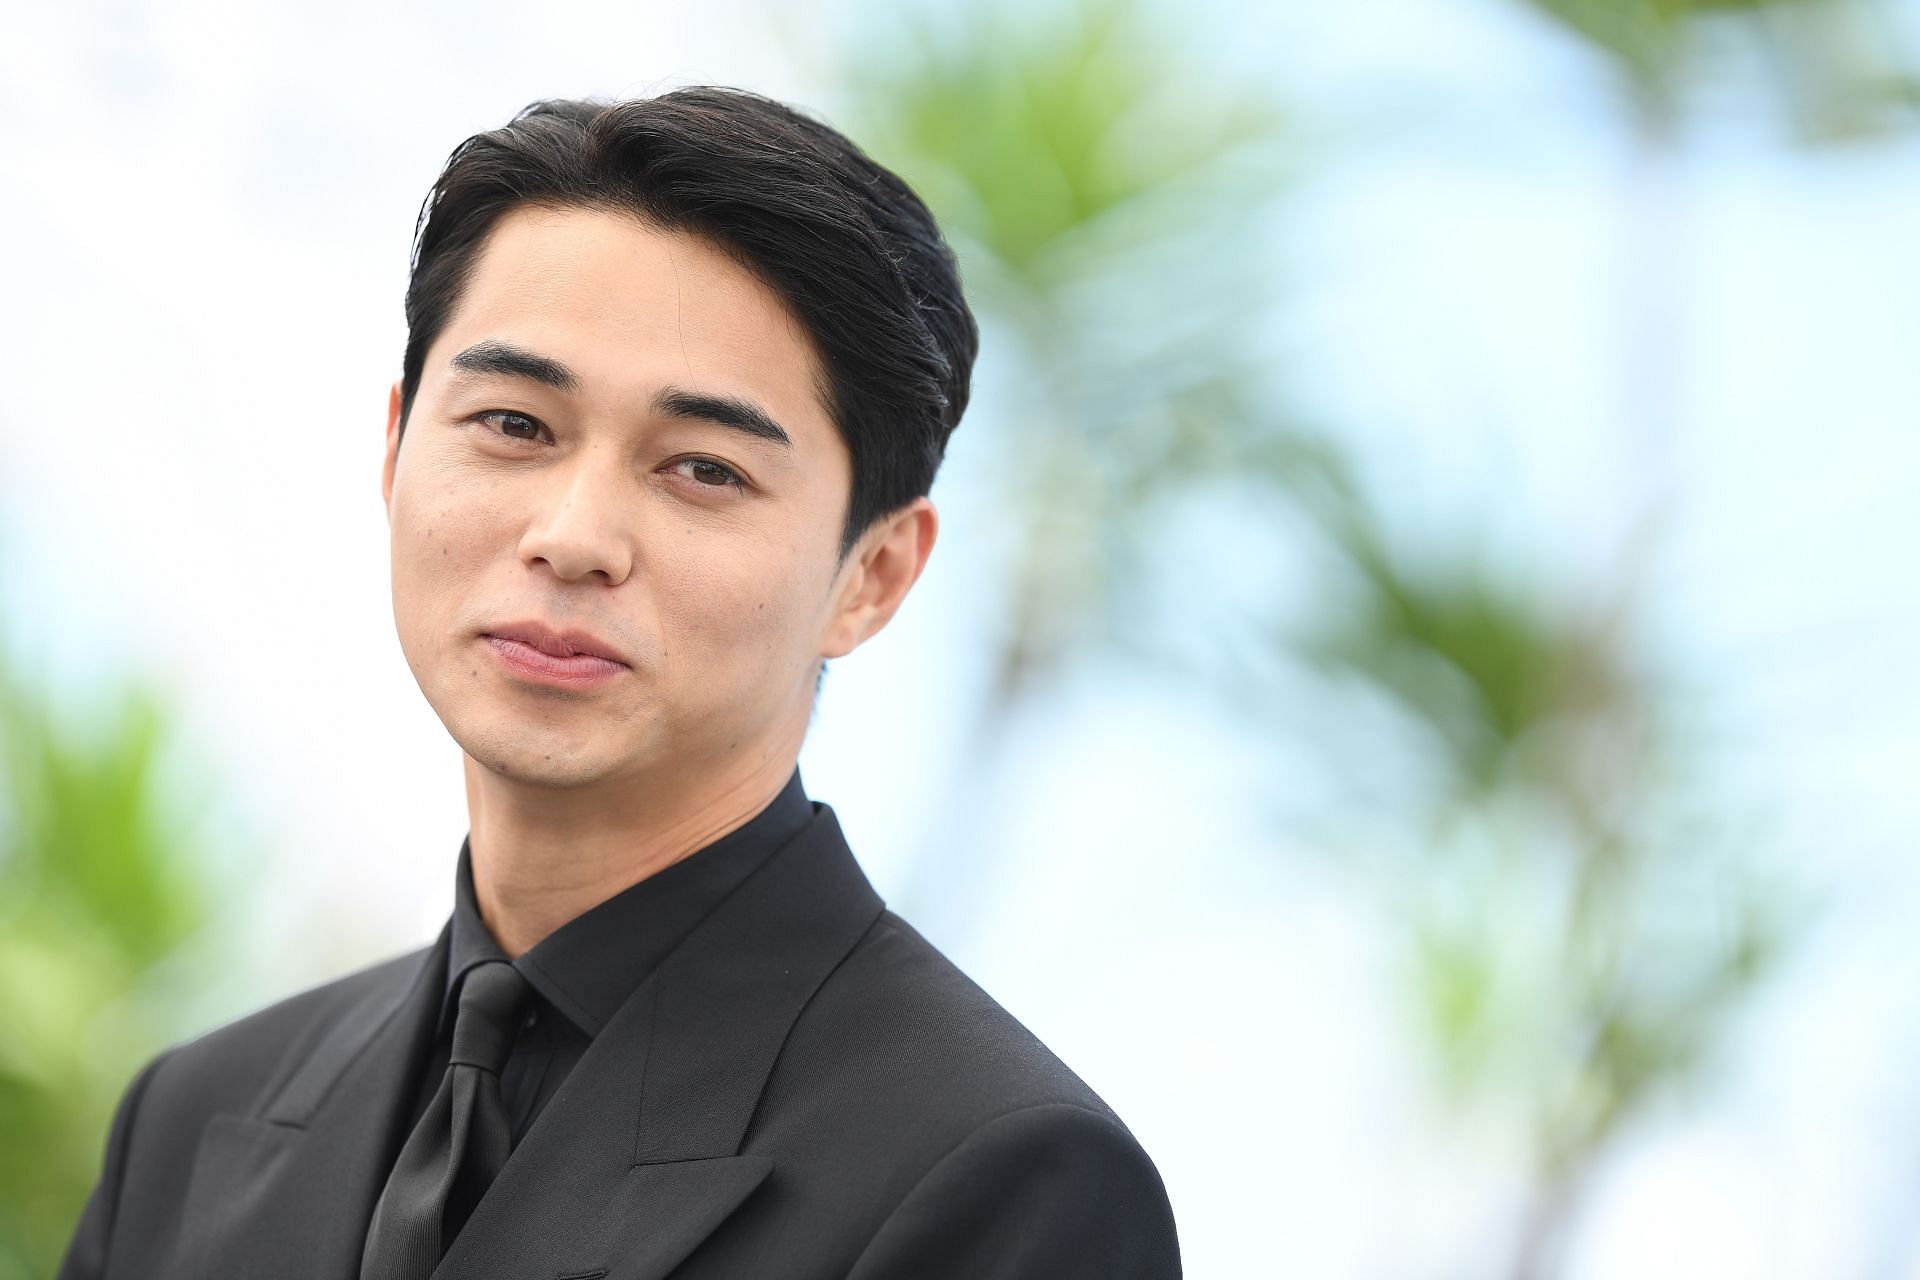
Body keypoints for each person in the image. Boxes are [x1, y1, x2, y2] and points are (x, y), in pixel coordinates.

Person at [56, 86, 1181, 1280]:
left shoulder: (998, 1175)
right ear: (394, 450)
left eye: (702, 467)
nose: (575, 533)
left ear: (874, 573)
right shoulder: (190, 1124)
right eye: (513, 423)